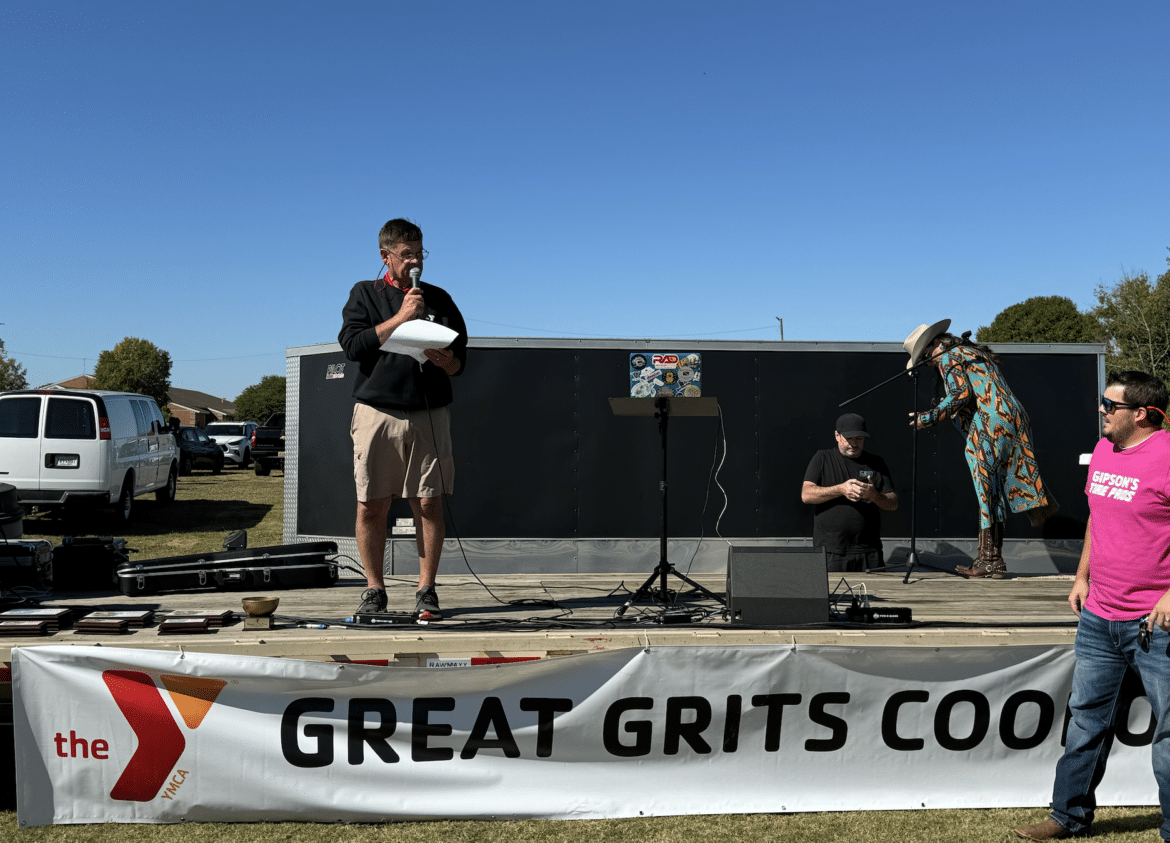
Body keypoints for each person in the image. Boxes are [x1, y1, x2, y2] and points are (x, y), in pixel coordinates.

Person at [1015, 371, 1170, 841]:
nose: (1101, 410)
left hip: (1155, 624)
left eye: (1109, 405)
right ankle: (1068, 816)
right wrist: (1082, 575)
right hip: (1100, 616)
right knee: (1085, 720)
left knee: (1168, 734)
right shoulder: (1104, 450)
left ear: (1141, 414)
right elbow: (1097, 519)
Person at [337, 218, 467, 620]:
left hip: (429, 412)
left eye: (420, 253)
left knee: (428, 503)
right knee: (370, 506)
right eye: (407, 254)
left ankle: (426, 590)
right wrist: (401, 317)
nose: (415, 262)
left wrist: (446, 361)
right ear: (386, 256)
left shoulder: (440, 299)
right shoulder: (365, 293)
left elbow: (460, 363)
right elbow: (352, 346)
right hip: (377, 412)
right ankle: (374, 590)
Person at [905, 319, 1058, 579]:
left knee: (986, 487)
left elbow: (960, 393)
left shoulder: (949, 356)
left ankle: (990, 559)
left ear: (935, 344)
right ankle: (991, 558)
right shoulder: (969, 352)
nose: (928, 363)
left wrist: (928, 418)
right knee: (994, 485)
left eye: (925, 356)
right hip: (1009, 417)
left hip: (992, 420)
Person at [801, 412, 899, 572]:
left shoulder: (876, 463)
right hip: (831, 552)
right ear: (837, 436)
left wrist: (874, 495)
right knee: (833, 588)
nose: (854, 444)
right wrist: (841, 489)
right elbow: (806, 495)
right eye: (849, 438)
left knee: (876, 588)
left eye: (859, 439)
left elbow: (893, 503)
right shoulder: (823, 458)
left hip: (869, 552)